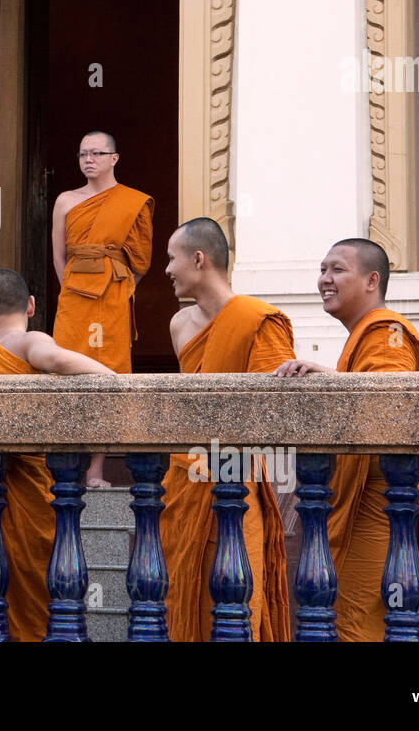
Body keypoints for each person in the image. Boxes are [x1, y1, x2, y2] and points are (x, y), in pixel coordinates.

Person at [274, 237, 419, 641]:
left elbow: (391, 404)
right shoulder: (364, 335)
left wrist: (330, 381)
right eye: (322, 269)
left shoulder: (387, 330)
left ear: (372, 280)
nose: (325, 279)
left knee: (357, 624)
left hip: (375, 513)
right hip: (368, 504)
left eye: (337, 269)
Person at [0, 269, 114, 641]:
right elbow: (53, 358)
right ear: (32, 306)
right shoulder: (28, 341)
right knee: (40, 599)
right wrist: (117, 380)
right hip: (30, 498)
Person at [160, 217, 291, 641]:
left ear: (198, 259)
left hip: (235, 477)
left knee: (235, 594)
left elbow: (273, 415)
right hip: (184, 479)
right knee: (182, 593)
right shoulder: (180, 325)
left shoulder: (259, 320)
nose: (166, 270)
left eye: (171, 258)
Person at [51, 131, 153, 488]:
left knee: (107, 376)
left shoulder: (132, 202)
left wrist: (118, 291)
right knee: (66, 373)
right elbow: (60, 256)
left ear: (114, 158)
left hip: (113, 297)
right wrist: (73, 293)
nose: (88, 159)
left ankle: (96, 469)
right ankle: (67, 466)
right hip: (74, 297)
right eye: (82, 154)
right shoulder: (65, 200)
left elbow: (140, 261)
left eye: (97, 153)